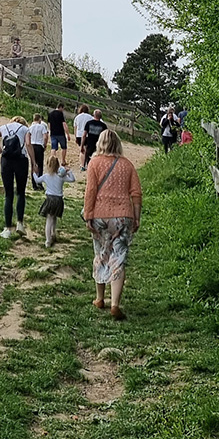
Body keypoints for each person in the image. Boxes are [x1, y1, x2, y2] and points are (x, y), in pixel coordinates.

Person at [82, 130, 142, 317]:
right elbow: (136, 194)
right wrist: (137, 217)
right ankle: (115, 304)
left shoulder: (94, 163)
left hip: (99, 216)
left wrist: (89, 214)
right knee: (119, 256)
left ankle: (100, 298)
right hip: (123, 217)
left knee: (101, 253)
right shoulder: (128, 165)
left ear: (100, 143)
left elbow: (90, 191)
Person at [0, 115, 35, 238]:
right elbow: (29, 144)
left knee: (8, 194)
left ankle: (7, 228)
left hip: (6, 160)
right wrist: (34, 162)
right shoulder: (25, 129)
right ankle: (20, 223)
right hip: (21, 160)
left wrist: (1, 150)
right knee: (21, 192)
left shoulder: (4, 127)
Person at [38, 154, 76, 247]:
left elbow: (37, 180)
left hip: (50, 199)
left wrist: (34, 172)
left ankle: (48, 240)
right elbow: (72, 179)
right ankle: (53, 233)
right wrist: (69, 171)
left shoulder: (46, 176)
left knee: (49, 219)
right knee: (54, 217)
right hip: (59, 200)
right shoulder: (61, 176)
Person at [29, 110, 49, 188]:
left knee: (33, 164)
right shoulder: (42, 127)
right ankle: (39, 182)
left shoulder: (30, 127)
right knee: (40, 165)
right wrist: (45, 144)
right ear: (39, 119)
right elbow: (45, 137)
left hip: (32, 145)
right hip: (39, 146)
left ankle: (33, 183)